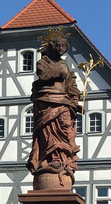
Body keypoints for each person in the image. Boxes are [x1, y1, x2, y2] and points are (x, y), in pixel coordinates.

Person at [27, 34, 81, 186]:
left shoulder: (64, 65)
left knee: (65, 128)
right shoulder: (43, 62)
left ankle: (64, 160)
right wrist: (59, 74)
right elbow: (43, 75)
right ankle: (47, 161)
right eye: (58, 46)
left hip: (63, 102)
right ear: (52, 47)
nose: (61, 49)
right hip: (46, 101)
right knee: (46, 133)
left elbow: (71, 84)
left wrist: (74, 101)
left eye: (63, 47)